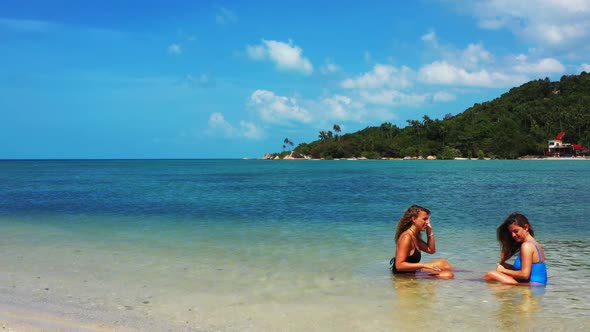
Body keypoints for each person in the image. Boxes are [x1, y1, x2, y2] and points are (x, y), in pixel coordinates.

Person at [389, 205, 454, 278]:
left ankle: (467, 272)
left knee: (443, 263)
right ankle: (464, 280)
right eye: (424, 219)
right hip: (403, 275)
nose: (427, 222)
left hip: (413, 271)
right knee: (448, 275)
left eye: (427, 219)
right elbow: (399, 266)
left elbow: (431, 250)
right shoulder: (406, 237)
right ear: (414, 219)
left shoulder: (414, 236)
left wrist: (429, 230)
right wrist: (424, 265)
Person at [483, 212, 547, 285]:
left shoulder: (527, 246)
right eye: (511, 232)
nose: (513, 235)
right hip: (537, 287)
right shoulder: (535, 244)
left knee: (490, 275)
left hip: (532, 286)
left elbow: (525, 275)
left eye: (516, 231)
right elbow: (530, 270)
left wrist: (503, 270)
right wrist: (508, 267)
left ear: (526, 227)